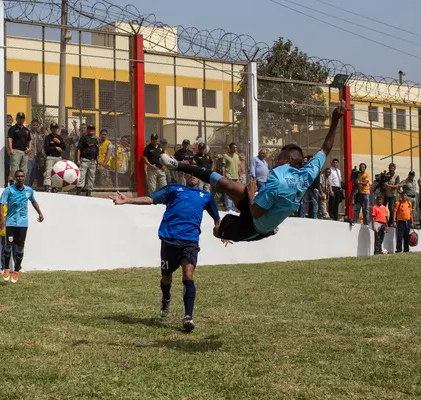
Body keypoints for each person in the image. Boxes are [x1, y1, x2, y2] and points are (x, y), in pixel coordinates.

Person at [160, 102, 346, 243]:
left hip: (254, 227)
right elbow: (326, 147)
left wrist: (250, 194)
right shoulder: (306, 173)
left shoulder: (277, 179)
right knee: (227, 184)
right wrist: (336, 119)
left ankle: (227, 229)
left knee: (218, 232)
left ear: (288, 161)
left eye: (279, 158)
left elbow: (256, 212)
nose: (275, 160)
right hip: (260, 208)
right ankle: (178, 165)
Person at [110, 162, 220, 332]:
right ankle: (166, 297)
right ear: (185, 176)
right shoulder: (173, 189)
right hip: (169, 240)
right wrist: (128, 200)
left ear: (199, 178)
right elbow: (150, 199)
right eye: (189, 173)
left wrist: (221, 232)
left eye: (195, 173)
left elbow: (217, 219)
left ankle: (188, 317)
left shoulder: (205, 196)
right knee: (166, 279)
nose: (192, 176)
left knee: (188, 274)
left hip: (190, 241)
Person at [0, 170, 45, 283]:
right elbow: (1, 203)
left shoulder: (29, 190)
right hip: (10, 223)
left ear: (24, 178)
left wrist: (40, 213)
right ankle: (7, 269)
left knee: (20, 246)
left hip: (23, 223)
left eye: (22, 176)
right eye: (18, 176)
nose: (20, 178)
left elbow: (33, 201)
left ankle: (17, 271)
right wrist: (3, 219)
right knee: (8, 245)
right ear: (15, 178)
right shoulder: (9, 190)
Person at [42, 122, 64, 192]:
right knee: (48, 172)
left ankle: (54, 187)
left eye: (56, 128)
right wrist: (56, 148)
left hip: (58, 157)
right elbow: (46, 148)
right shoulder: (48, 137)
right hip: (50, 157)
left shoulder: (59, 137)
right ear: (51, 129)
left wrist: (59, 142)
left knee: (57, 172)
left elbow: (64, 147)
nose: (54, 130)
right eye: (53, 128)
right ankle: (47, 186)